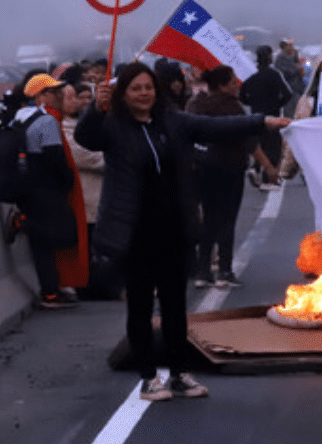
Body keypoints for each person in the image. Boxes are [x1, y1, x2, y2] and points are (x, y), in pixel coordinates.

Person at [75, 62, 291, 401]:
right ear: (122, 94)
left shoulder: (174, 122)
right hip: (134, 234)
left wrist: (264, 121)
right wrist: (95, 107)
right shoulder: (112, 127)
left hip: (174, 230)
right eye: (135, 88)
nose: (143, 93)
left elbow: (217, 126)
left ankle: (179, 374)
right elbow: (85, 136)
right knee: (141, 308)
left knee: (176, 306)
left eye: (148, 87)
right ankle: (148, 377)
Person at [16, 74, 85, 309]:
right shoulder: (47, 122)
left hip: (29, 191)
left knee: (40, 243)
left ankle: (51, 293)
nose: (59, 97)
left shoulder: (20, 118)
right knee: (55, 240)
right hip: (48, 192)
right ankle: (54, 292)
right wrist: (67, 183)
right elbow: (55, 159)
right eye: (55, 93)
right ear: (42, 96)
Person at [186, 66, 258, 289]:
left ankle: (202, 271)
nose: (237, 86)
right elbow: (247, 140)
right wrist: (266, 167)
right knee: (227, 219)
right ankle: (224, 271)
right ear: (223, 85)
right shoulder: (232, 107)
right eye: (233, 82)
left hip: (203, 168)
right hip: (230, 169)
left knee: (209, 219)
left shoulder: (198, 104)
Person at [61, 83, 109, 299]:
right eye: (71, 98)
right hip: (85, 198)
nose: (78, 102)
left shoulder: (90, 123)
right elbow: (84, 156)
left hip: (101, 197)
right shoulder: (62, 127)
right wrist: (117, 159)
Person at [279, 53, 322, 181]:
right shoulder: (306, 101)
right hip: (315, 162)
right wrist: (288, 166)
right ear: (317, 73)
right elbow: (296, 133)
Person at [239, 45, 293, 186]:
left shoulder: (250, 75)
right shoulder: (274, 74)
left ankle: (254, 168)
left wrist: (252, 103)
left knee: (259, 145)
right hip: (272, 116)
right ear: (269, 57)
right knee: (274, 147)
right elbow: (288, 93)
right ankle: (267, 178)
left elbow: (241, 95)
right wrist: (277, 104)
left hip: (255, 116)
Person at [274, 39, 306, 117]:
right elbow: (283, 72)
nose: (291, 47)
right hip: (288, 90)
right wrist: (295, 69)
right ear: (284, 47)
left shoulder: (294, 56)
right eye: (289, 45)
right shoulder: (280, 58)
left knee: (299, 111)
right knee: (290, 113)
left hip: (298, 89)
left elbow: (301, 71)